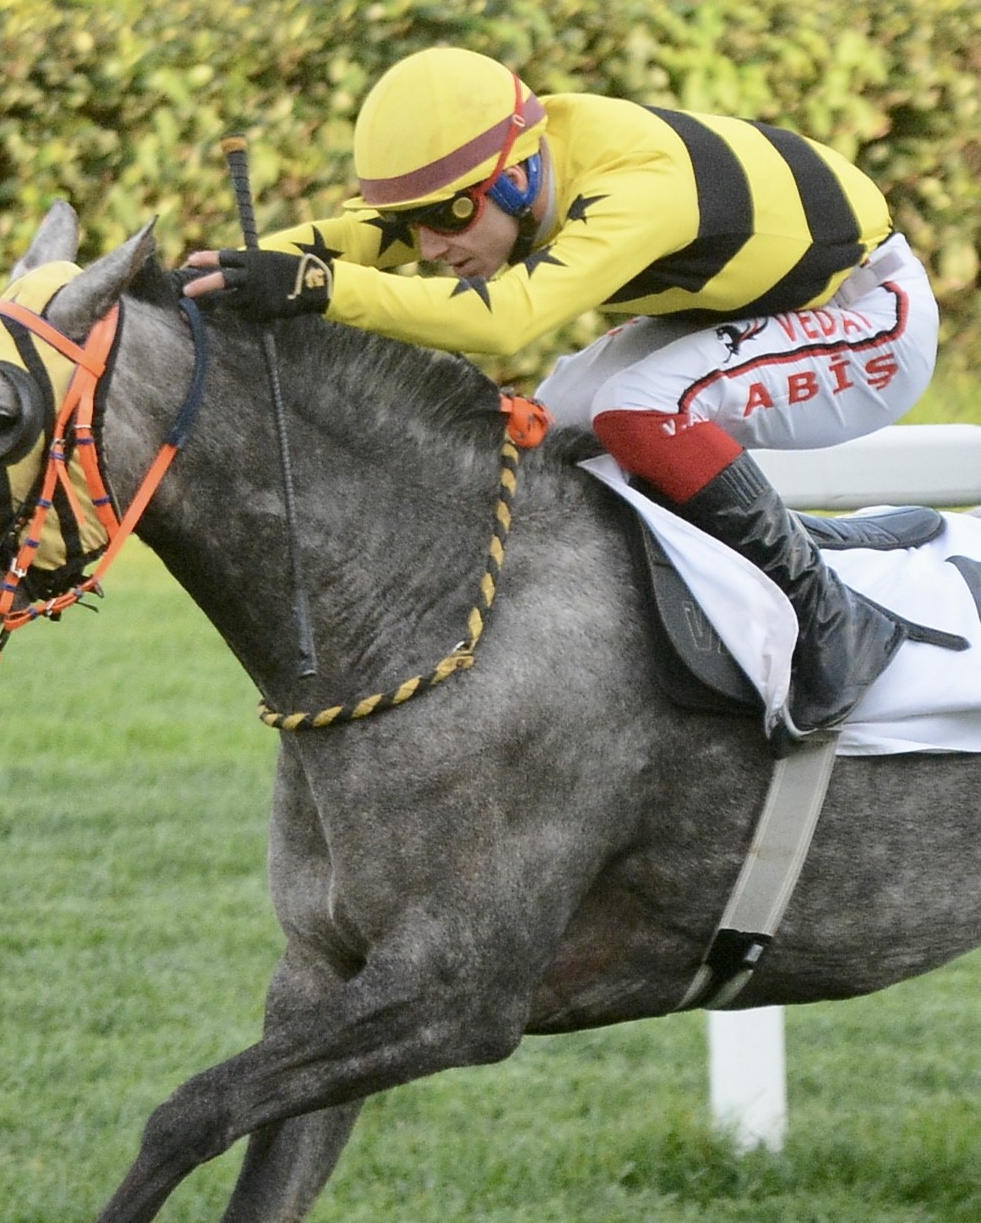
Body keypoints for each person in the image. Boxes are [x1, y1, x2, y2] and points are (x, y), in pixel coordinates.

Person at [183, 47, 932, 735]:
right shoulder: (505, 166)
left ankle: (834, 620)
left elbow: (503, 319)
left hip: (869, 315)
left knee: (639, 411)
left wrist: (318, 288)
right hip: (743, 308)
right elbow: (352, 239)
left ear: (515, 177)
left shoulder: (637, 187)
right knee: (551, 430)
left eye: (447, 219)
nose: (432, 248)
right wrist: (206, 276)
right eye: (415, 222)